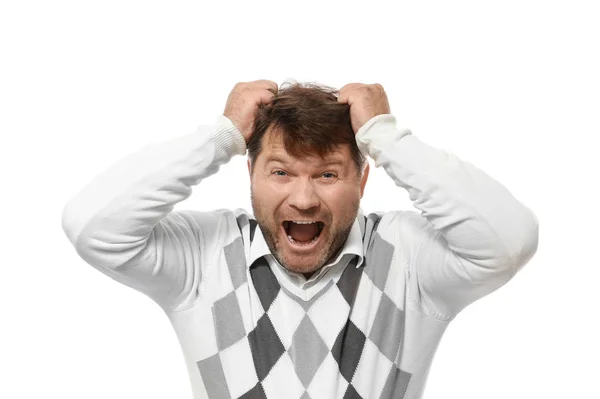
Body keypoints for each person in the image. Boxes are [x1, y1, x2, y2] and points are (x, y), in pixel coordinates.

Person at [61, 79, 539, 399]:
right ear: (250, 173)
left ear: (363, 180)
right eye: (281, 172)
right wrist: (221, 137)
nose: (304, 199)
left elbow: (509, 241)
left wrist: (384, 136)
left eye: (328, 174)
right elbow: (91, 227)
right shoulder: (203, 256)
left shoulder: (409, 258)